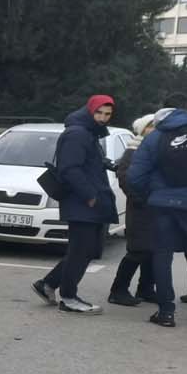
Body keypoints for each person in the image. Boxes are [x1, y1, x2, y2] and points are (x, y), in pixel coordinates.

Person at [33, 95, 118, 315]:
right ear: (90, 111)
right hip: (82, 203)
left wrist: (108, 165)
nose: (102, 118)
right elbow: (70, 169)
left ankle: (48, 284)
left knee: (83, 250)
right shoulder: (78, 133)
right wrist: (90, 196)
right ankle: (69, 297)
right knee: (82, 251)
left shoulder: (87, 132)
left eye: (107, 114)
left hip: (86, 202)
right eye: (99, 113)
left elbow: (86, 162)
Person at [127, 92, 187, 327]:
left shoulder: (155, 137)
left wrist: (149, 195)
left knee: (162, 256)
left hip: (162, 205)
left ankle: (166, 312)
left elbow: (135, 176)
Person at [106, 113, 161, 307]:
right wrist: (141, 199)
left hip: (156, 209)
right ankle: (118, 290)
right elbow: (125, 177)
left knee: (154, 251)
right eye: (150, 126)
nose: (154, 130)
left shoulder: (156, 148)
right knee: (137, 251)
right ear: (142, 129)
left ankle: (146, 288)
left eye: (157, 126)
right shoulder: (133, 150)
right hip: (140, 210)